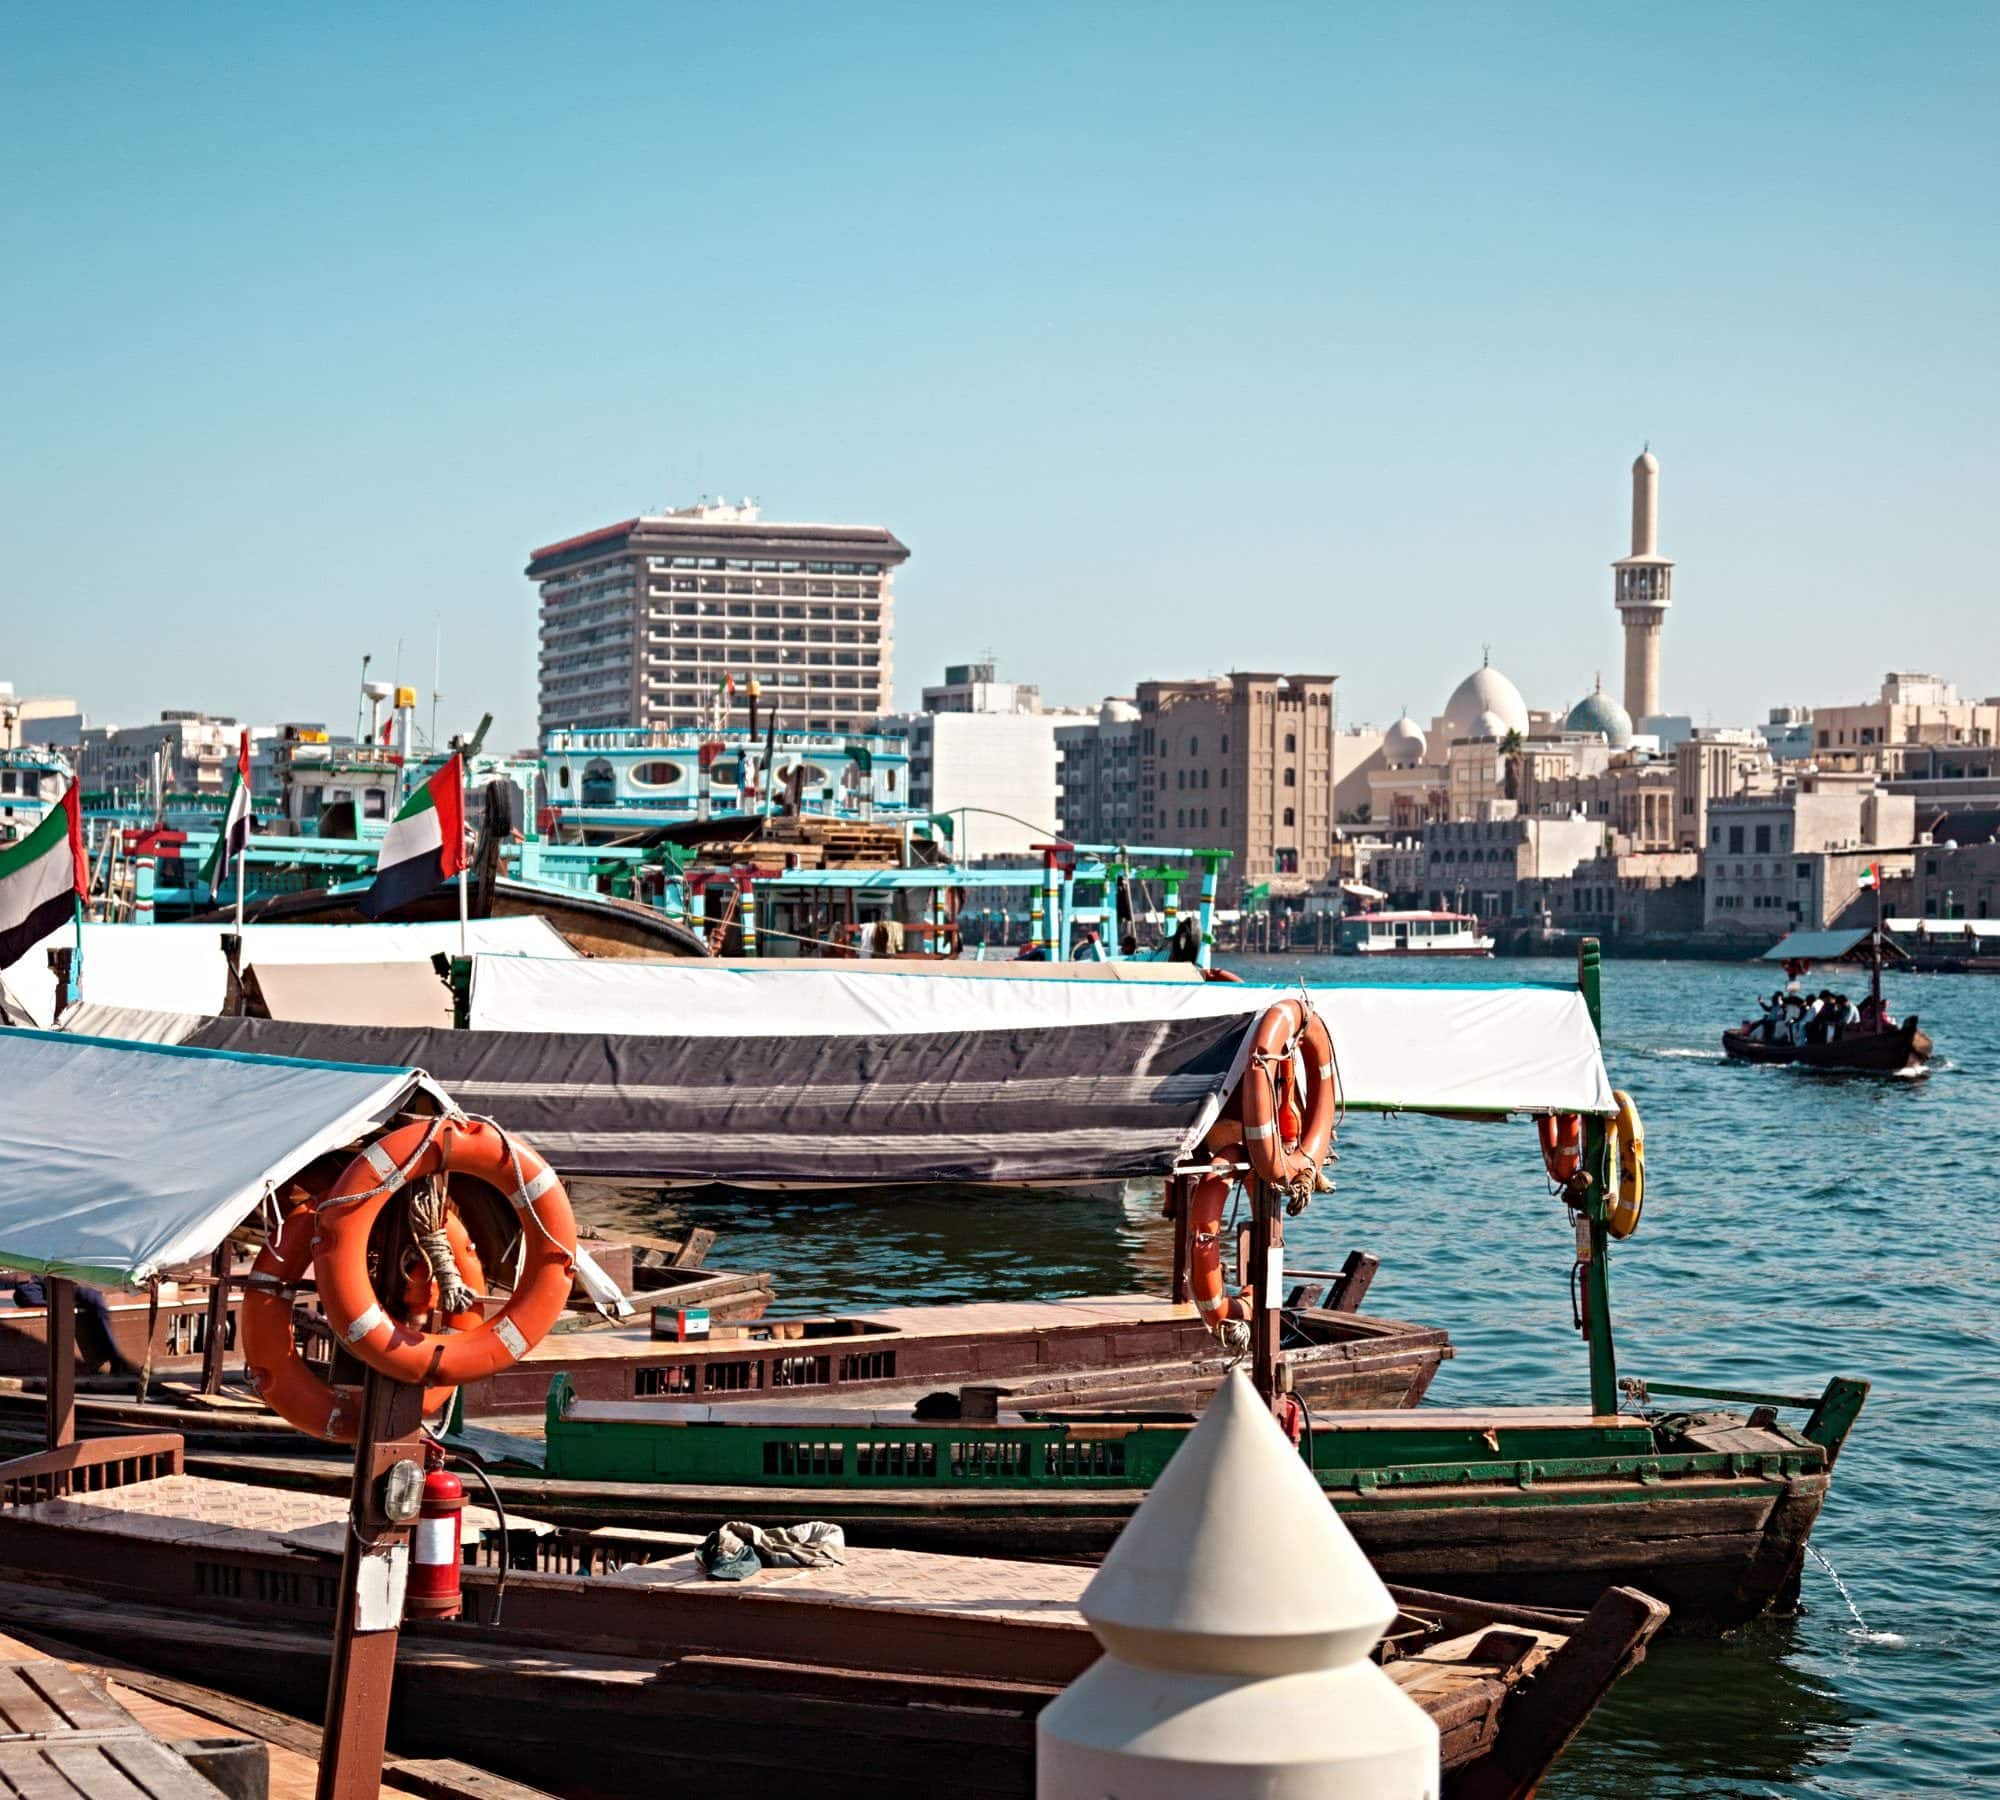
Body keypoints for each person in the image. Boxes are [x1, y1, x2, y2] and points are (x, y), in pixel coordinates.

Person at [5, 1275, 139, 1377]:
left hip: (73, 1277)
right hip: (43, 1278)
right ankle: (116, 1360)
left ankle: (116, 1359)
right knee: (25, 1295)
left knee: (95, 1301)